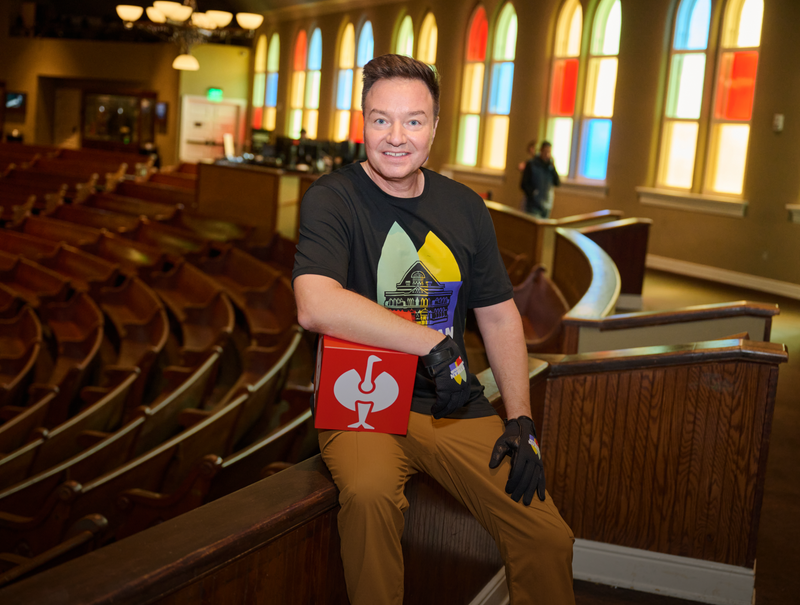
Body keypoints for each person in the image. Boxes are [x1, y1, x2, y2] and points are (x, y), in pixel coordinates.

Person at [293, 54, 575, 605]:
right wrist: (432, 343)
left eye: (413, 121)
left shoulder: (465, 207)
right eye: (381, 120)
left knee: (546, 534)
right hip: (362, 399)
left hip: (451, 405)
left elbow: (498, 314)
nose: (396, 137)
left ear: (435, 127)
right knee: (371, 498)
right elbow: (315, 303)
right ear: (363, 121)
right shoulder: (332, 198)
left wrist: (521, 419)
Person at [521, 141, 561, 218]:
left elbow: (557, 182)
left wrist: (553, 167)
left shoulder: (550, 167)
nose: (546, 154)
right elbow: (524, 183)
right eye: (545, 151)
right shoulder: (532, 164)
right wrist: (532, 193)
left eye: (548, 152)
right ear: (541, 151)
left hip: (546, 205)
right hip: (534, 205)